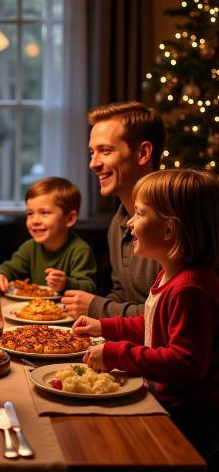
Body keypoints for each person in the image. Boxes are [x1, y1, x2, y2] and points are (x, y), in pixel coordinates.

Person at [73, 169, 219, 465]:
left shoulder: (190, 289)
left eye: (139, 214)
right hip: (169, 402)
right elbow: (152, 324)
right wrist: (104, 325)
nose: (129, 222)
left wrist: (117, 353)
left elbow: (185, 363)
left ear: (168, 231)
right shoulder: (170, 275)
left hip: (189, 419)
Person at [62, 101, 166, 319]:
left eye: (105, 151)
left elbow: (167, 315)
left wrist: (96, 307)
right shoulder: (119, 223)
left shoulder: (168, 224)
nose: (93, 163)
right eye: (92, 152)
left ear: (143, 153)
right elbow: (123, 295)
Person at [0, 177, 96, 294]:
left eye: (44, 213)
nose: (35, 221)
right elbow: (8, 268)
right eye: (30, 213)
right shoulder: (29, 248)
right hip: (35, 310)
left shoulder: (80, 251)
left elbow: (89, 288)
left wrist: (66, 284)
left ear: (69, 219)